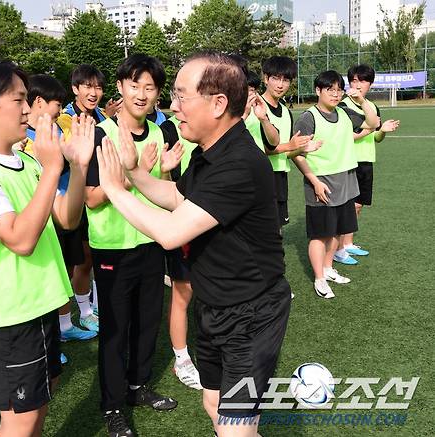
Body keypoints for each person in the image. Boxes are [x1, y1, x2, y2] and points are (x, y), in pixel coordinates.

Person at [95, 51, 292, 437]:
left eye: (182, 96)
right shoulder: (209, 152)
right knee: (213, 403)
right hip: (216, 306)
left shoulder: (238, 162)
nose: (172, 105)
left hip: (250, 315)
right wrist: (134, 171)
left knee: (236, 427)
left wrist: (115, 190)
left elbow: (171, 231)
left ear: (219, 104)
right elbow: (176, 197)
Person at [0, 60, 95, 437]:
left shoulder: (26, 161)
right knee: (20, 419)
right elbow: (20, 239)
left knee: (39, 405)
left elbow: (66, 217)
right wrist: (52, 169)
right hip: (7, 318)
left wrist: (77, 166)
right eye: (19, 101)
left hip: (38, 305)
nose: (29, 110)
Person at [86, 54, 179, 437]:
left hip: (151, 241)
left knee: (147, 322)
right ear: (120, 87)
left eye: (150, 87)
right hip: (112, 248)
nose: (142, 94)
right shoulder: (100, 133)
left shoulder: (159, 133)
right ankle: (111, 406)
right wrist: (131, 172)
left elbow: (162, 193)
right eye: (135, 85)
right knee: (115, 330)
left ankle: (138, 387)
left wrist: (166, 168)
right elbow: (92, 198)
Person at [24, 74, 98, 353]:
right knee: (45, 276)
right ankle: (47, 340)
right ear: (40, 101)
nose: (60, 109)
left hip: (66, 208)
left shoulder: (56, 130)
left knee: (64, 271)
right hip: (43, 216)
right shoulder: (24, 139)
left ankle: (64, 327)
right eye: (58, 103)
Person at [292, 70, 380, 299]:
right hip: (322, 182)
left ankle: (329, 269)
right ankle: (319, 278)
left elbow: (373, 123)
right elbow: (296, 153)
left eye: (339, 90)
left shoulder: (344, 112)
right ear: (318, 91)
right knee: (320, 234)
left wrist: (361, 101)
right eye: (329, 89)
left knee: (336, 232)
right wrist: (315, 182)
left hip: (346, 179)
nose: (335, 94)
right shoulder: (308, 117)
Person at [57, 64, 115, 318]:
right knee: (79, 260)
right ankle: (78, 313)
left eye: (98, 87)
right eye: (88, 87)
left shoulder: (102, 117)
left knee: (98, 255)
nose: (94, 92)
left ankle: (94, 306)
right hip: (75, 198)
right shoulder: (64, 118)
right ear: (75, 89)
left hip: (102, 193)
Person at [158, 114, 202, 390]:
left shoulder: (222, 144)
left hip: (211, 231)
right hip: (185, 225)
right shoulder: (169, 129)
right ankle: (181, 358)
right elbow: (171, 192)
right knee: (182, 293)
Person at [338, 64, 400, 260]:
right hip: (347, 161)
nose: (358, 84)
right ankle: (338, 249)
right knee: (347, 206)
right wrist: (370, 129)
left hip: (366, 161)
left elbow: (376, 138)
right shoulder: (342, 105)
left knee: (358, 205)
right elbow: (345, 136)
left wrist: (382, 131)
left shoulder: (372, 107)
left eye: (363, 80)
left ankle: (348, 243)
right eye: (354, 80)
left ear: (370, 84)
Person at [261, 56, 320, 229]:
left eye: (285, 80)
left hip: (279, 177)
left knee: (277, 228)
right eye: (275, 78)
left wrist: (301, 149)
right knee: (259, 230)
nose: (280, 85)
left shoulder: (286, 113)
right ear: (266, 79)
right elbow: (256, 148)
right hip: (258, 175)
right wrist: (291, 146)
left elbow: (285, 152)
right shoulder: (255, 107)